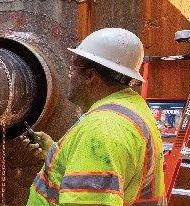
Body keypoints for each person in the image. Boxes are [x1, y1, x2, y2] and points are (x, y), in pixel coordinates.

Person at [22, 28, 166, 205]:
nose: (69, 76)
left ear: (90, 76)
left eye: (72, 69)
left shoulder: (101, 129)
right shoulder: (131, 110)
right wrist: (54, 152)